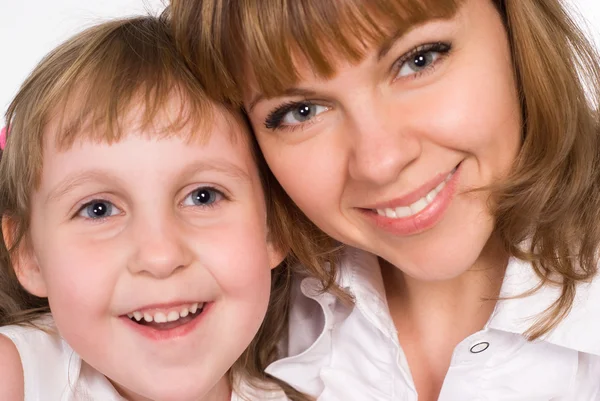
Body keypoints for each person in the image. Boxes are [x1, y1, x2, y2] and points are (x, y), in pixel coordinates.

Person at [170, 0, 600, 399]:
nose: (380, 162)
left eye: (420, 59)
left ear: (511, 25)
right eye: (301, 112)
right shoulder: (236, 325)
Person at [0, 14, 338, 401]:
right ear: (29, 256)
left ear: (273, 228)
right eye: (98, 209)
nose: (160, 256)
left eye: (203, 197)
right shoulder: (18, 375)